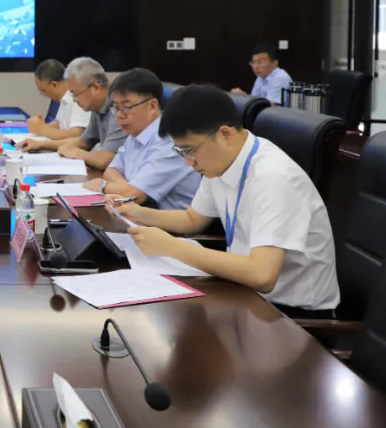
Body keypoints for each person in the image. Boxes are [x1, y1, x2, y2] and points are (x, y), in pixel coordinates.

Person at [116, 84, 339, 318]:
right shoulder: (221, 162)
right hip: (245, 294)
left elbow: (262, 275)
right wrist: (137, 213)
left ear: (225, 134)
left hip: (291, 317)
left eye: (190, 150)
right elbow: (192, 219)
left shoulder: (272, 177)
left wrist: (172, 248)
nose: (188, 163)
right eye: (182, 152)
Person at [82, 68, 200, 210]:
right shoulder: (136, 132)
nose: (119, 115)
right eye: (116, 108)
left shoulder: (170, 141)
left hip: (172, 221)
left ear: (152, 106)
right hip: (143, 214)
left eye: (126, 107)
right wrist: (126, 189)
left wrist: (102, 185)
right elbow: (111, 170)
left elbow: (136, 196)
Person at [17, 57, 127, 170]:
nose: (74, 100)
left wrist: (77, 153)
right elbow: (83, 142)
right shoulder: (97, 108)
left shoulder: (118, 109)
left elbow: (104, 160)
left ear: (95, 87)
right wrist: (41, 144)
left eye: (75, 94)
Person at [26, 58, 90, 140]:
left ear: (54, 85)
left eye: (43, 91)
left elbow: (76, 135)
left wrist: (42, 129)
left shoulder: (79, 96)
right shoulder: (64, 98)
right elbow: (60, 124)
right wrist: (40, 126)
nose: (45, 96)